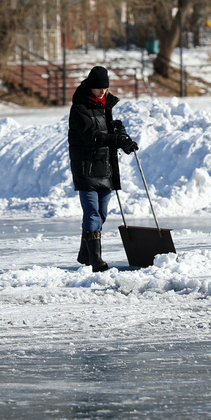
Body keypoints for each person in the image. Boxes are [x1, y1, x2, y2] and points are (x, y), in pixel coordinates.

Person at [66, 65, 138, 271]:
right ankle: (96, 260)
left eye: (105, 88)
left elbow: (107, 128)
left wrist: (122, 134)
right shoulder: (79, 108)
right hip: (85, 166)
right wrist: (115, 139)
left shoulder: (105, 104)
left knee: (102, 213)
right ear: (90, 87)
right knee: (92, 213)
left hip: (105, 166)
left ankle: (85, 254)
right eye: (99, 88)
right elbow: (92, 136)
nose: (103, 92)